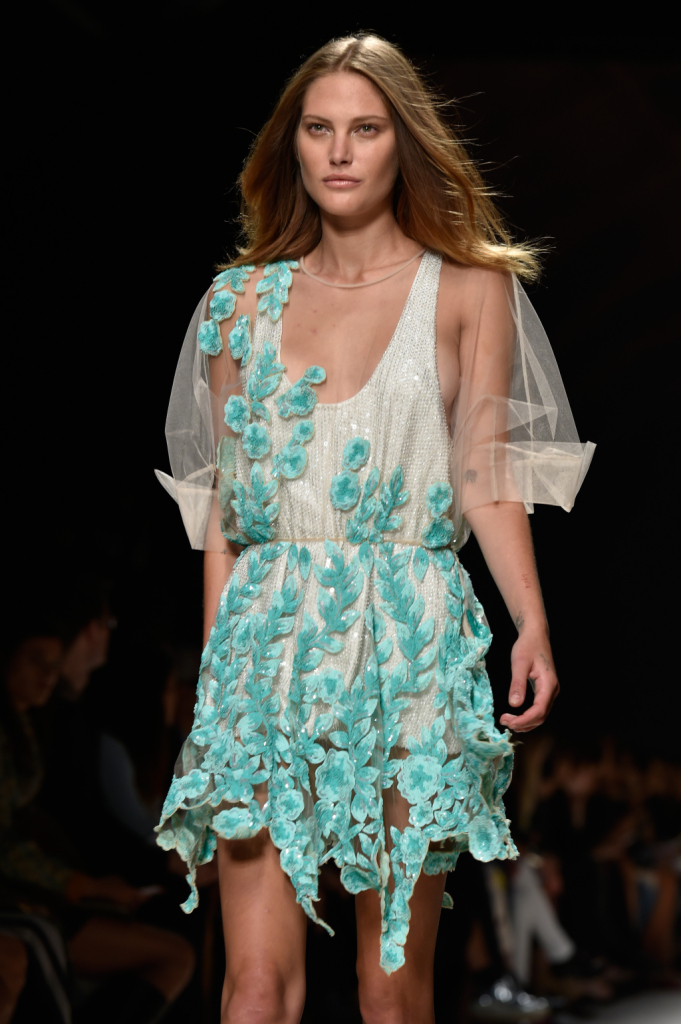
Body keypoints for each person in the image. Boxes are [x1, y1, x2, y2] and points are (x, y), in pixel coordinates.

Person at [155, 33, 594, 1024]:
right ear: (293, 145)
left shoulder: (468, 289)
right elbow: (224, 515)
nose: (341, 152)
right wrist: (221, 684)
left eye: (365, 128)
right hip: (266, 643)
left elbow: (484, 474)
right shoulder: (237, 303)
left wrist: (529, 620)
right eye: (319, 129)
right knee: (253, 986)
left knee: (391, 989)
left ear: (404, 143)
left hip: (409, 640)